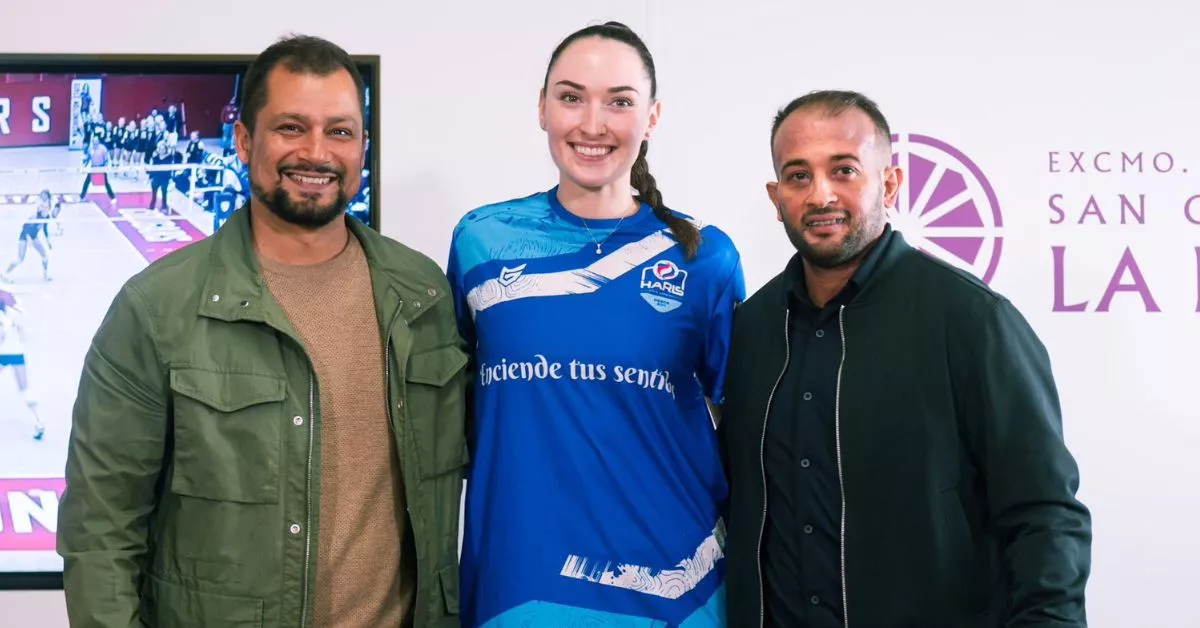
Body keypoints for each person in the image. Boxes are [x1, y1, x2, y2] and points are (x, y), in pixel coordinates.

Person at [58, 34, 468, 628]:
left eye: (340, 131)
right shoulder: (156, 309)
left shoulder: (423, 294)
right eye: (291, 128)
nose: (317, 152)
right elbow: (99, 532)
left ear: (362, 148)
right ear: (245, 140)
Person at [718, 90, 1092, 627]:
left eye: (844, 170)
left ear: (890, 184)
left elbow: (1043, 511)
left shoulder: (970, 319)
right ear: (777, 198)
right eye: (798, 176)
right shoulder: (751, 329)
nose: (821, 194)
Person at [447, 21, 744, 628]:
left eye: (620, 102)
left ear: (652, 117)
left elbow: (745, 428)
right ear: (542, 107)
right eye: (571, 97)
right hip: (520, 583)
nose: (592, 123)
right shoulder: (481, 240)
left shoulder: (705, 257)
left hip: (676, 588)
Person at [0, 290, 43, 440]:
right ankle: (38, 421)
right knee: (25, 389)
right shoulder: (10, 317)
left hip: (2, 354)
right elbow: (22, 336)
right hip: (17, 354)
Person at [1, 189, 56, 282]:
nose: (46, 208)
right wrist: (29, 239)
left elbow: (45, 230)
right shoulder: (35, 216)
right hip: (24, 236)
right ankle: (4, 274)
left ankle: (45, 275)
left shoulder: (46, 217)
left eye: (48, 206)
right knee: (20, 259)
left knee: (45, 256)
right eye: (44, 206)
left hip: (34, 237)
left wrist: (48, 242)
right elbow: (25, 227)